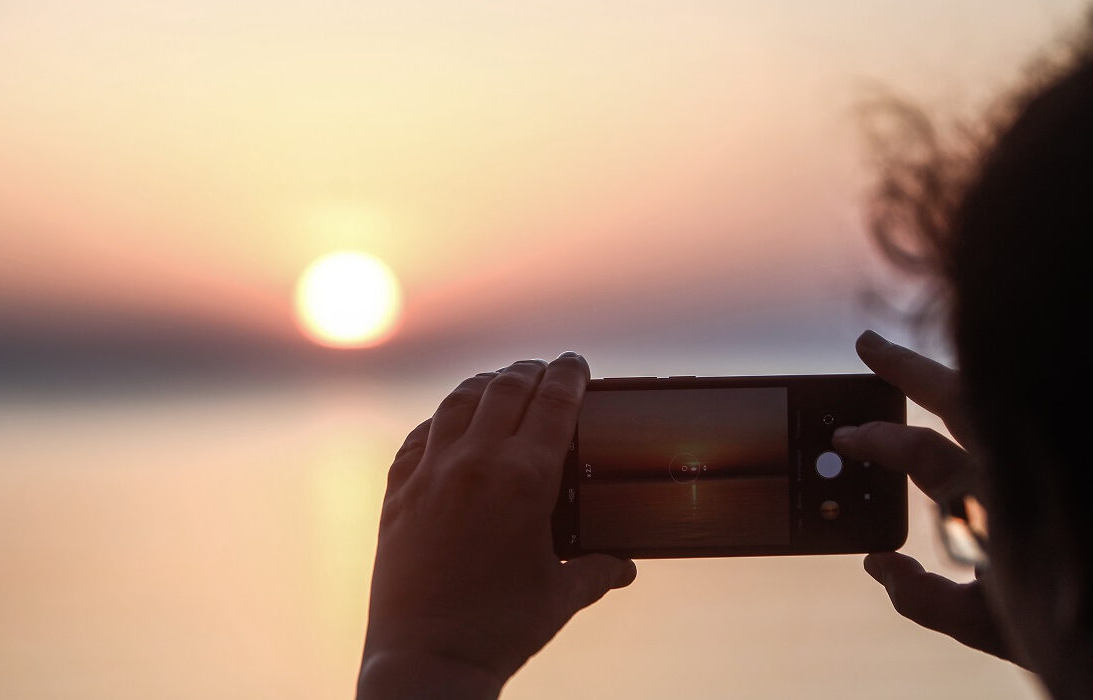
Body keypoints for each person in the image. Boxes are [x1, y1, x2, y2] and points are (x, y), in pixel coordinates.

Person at [357, 20, 1093, 700]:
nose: (975, 529)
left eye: (987, 526)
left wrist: (428, 662)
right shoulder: (1059, 598)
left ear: (1064, 584)